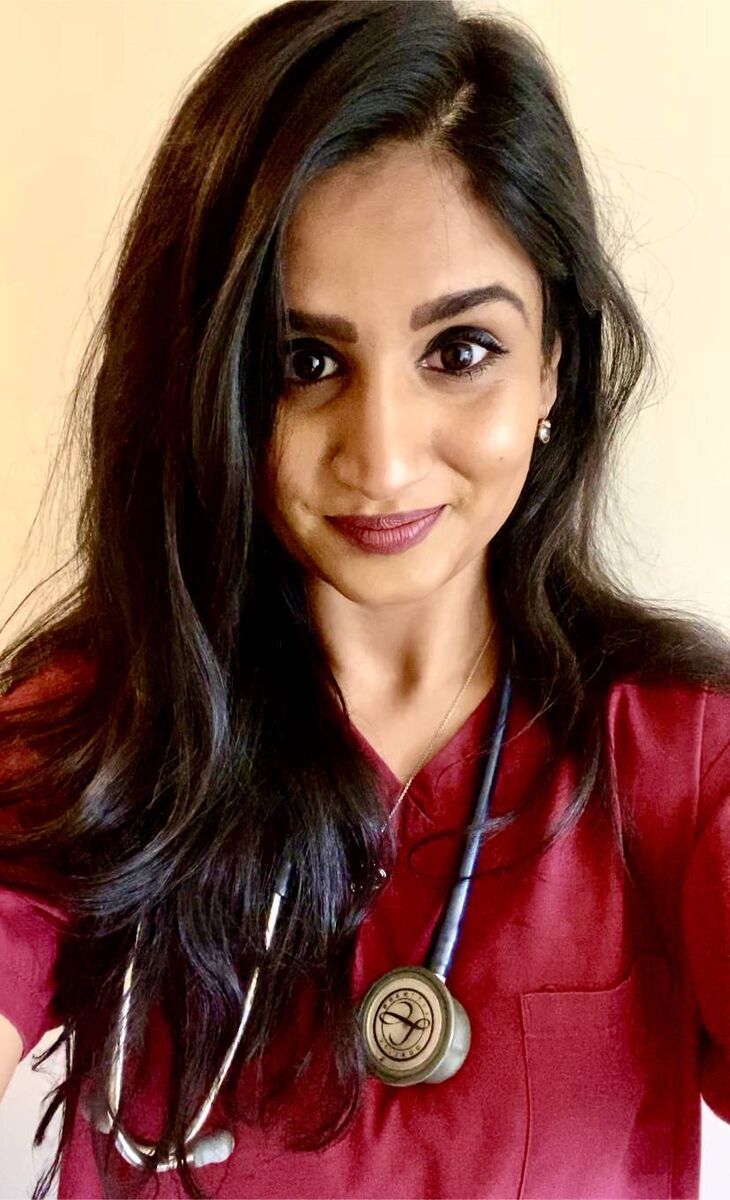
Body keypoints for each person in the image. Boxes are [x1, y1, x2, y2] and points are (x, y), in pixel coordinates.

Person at [0, 1, 728, 1197]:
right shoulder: (84, 739)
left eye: (460, 351)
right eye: (305, 363)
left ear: (553, 361)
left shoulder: (680, 760)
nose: (381, 460)